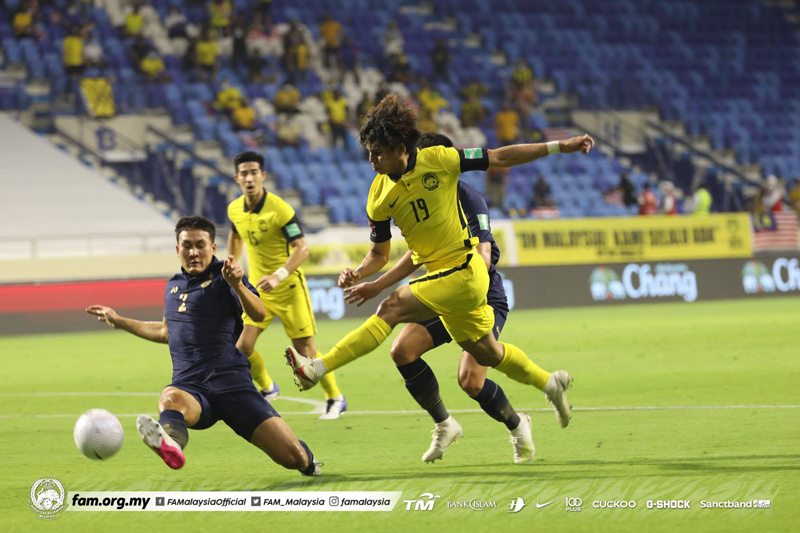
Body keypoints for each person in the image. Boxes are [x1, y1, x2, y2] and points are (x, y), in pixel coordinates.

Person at [285, 95, 592, 458]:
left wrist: (560, 146)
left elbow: (501, 157)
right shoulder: (378, 196)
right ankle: (549, 382)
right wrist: (360, 274)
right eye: (368, 152)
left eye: (377, 152)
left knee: (392, 307)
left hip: (468, 274)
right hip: (442, 284)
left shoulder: (440, 161)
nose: (371, 161)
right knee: (489, 354)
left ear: (400, 148)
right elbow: (380, 253)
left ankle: (316, 368)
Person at [344, 132, 536, 463]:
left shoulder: (470, 199)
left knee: (470, 380)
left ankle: (518, 426)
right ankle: (444, 424)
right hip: (440, 289)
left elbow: (483, 255)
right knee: (402, 351)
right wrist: (374, 280)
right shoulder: (417, 198)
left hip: (478, 294)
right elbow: (416, 255)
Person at [86, 216, 320, 476]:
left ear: (213, 248)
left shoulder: (226, 276)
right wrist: (120, 321)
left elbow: (258, 313)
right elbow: (165, 331)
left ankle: (308, 461)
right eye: (187, 245)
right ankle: (171, 443)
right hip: (191, 388)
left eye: (200, 244)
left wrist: (238, 285)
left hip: (233, 386)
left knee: (293, 458)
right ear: (177, 250)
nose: (193, 252)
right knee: (169, 398)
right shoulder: (173, 285)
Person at [227, 152, 347, 419]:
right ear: (237, 178)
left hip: (290, 289)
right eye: (244, 173)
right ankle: (268, 388)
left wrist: (277, 276)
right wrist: (231, 264)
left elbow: (302, 249)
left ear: (263, 176)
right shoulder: (234, 209)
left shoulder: (280, 209)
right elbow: (235, 236)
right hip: (260, 292)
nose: (249, 178)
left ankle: (335, 397)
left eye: (254, 172)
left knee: (306, 351)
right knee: (242, 347)